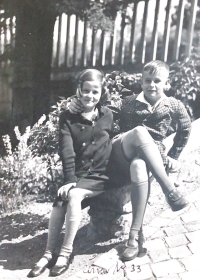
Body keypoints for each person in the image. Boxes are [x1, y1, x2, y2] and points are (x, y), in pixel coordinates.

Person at [68, 60, 191, 262]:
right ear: (141, 82)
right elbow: (100, 110)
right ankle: (170, 190)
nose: (152, 85)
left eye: (157, 81)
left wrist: (173, 156)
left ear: (166, 84)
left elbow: (186, 129)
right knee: (140, 132)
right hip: (120, 149)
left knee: (139, 167)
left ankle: (134, 238)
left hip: (148, 156)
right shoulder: (128, 102)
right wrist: (78, 104)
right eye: (147, 81)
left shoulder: (174, 106)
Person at [28, 69, 114, 277]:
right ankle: (48, 253)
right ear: (78, 91)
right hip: (79, 174)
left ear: (101, 93)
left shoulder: (108, 114)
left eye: (95, 92)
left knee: (74, 195)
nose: (90, 96)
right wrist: (69, 179)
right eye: (85, 91)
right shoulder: (67, 118)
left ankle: (65, 253)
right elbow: (66, 151)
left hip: (100, 175)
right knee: (61, 198)